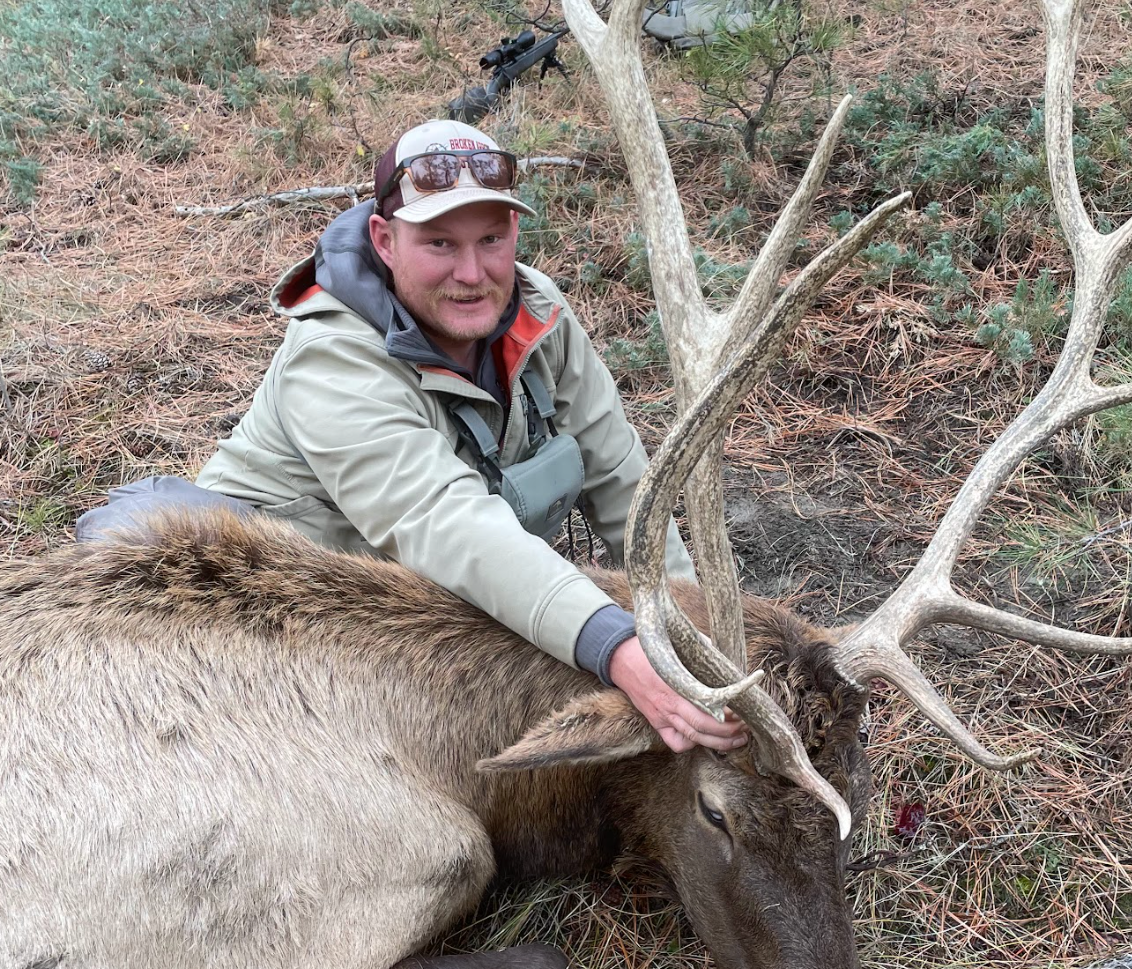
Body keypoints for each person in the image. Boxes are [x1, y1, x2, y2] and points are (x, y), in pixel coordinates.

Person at [77, 119, 743, 756]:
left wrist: (696, 629)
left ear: (515, 230)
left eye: (490, 239)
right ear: (385, 239)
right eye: (440, 244)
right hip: (277, 618)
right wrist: (617, 646)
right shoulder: (333, 355)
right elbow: (442, 520)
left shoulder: (542, 313)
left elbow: (624, 484)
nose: (472, 273)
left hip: (419, 604)